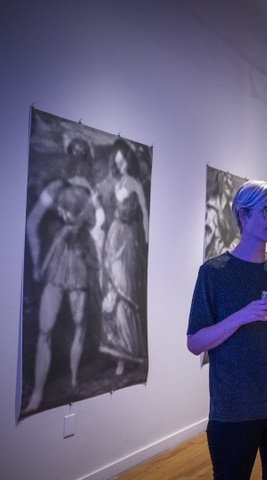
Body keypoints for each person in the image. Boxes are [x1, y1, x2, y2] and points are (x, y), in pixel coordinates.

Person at [187, 180, 267, 479]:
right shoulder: (213, 273)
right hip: (234, 411)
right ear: (243, 215)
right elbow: (195, 342)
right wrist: (242, 315)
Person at [23, 137, 104, 414]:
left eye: (83, 154)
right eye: (75, 153)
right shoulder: (57, 187)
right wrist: (36, 262)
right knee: (45, 327)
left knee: (80, 322)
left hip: (80, 260)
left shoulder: (92, 194)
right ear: (70, 156)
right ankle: (37, 393)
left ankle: (72, 380)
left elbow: (97, 226)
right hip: (58, 259)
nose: (78, 158)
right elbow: (32, 222)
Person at [99, 139, 150, 376]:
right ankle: (113, 349)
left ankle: (128, 351)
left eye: (122, 161)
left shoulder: (134, 183)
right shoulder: (116, 183)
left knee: (125, 289)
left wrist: (147, 241)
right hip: (114, 235)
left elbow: (144, 213)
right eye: (116, 162)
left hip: (129, 240)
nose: (119, 165)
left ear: (128, 161)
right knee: (111, 287)